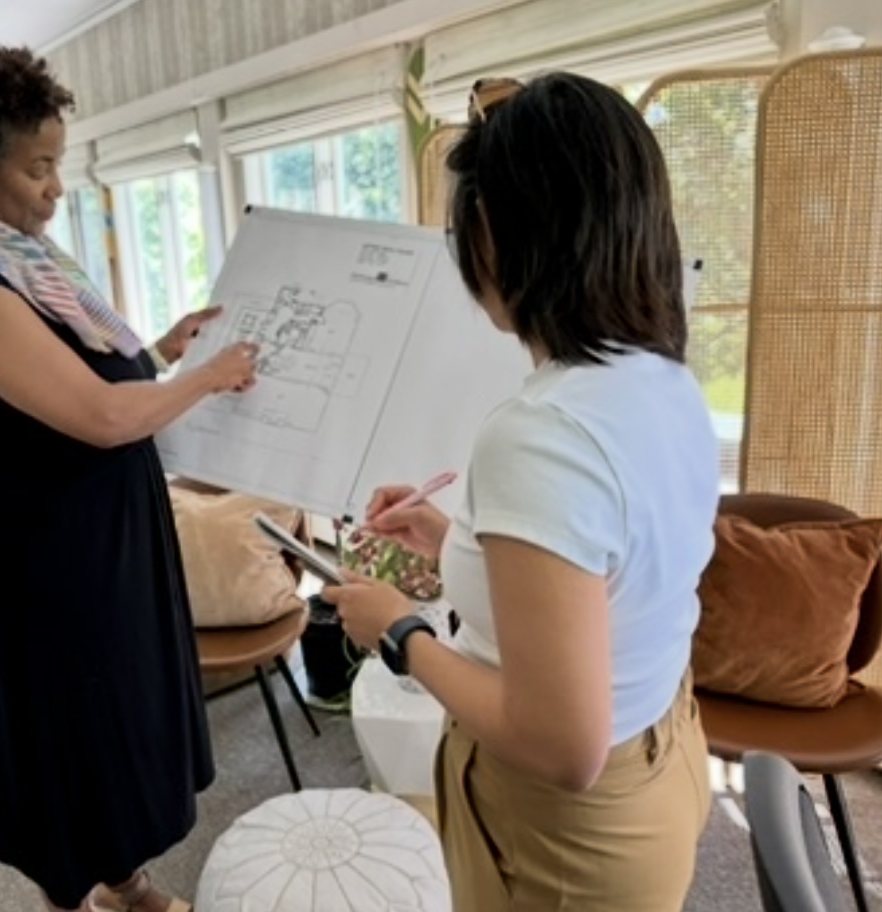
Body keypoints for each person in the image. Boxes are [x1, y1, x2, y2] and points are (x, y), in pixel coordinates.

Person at [321, 73, 719, 911]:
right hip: (666, 752)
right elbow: (607, 570)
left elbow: (561, 745)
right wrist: (456, 538)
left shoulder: (540, 434)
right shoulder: (663, 379)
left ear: (500, 238)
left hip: (568, 829)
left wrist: (397, 630)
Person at [0, 37, 257, 912]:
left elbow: (85, 371)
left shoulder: (21, 259)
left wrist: (164, 349)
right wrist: (208, 378)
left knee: (117, 737)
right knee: (66, 754)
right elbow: (99, 416)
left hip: (100, 543)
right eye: (38, 168)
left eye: (59, 163)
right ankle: (72, 900)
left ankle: (127, 884)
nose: (57, 187)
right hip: (38, 562)